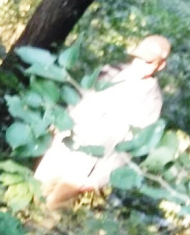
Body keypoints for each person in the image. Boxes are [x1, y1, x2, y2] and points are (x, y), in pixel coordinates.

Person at [34, 35, 171, 210]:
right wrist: (59, 124)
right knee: (35, 193)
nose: (141, 63)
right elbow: (79, 98)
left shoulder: (152, 101)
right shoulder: (111, 71)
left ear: (160, 65)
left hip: (90, 163)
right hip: (66, 143)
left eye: (149, 62)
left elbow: (131, 146)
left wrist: (99, 179)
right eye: (139, 58)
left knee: (50, 209)